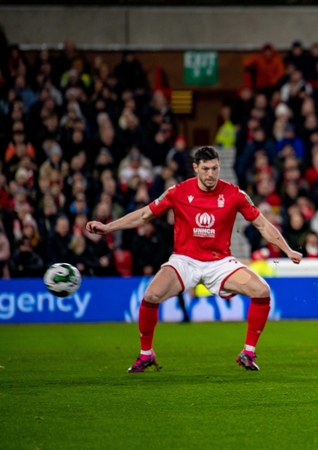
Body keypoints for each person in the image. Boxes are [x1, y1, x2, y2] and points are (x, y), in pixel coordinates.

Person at [86, 147, 303, 373]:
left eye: (215, 169)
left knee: (262, 291)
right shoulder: (178, 192)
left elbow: (262, 225)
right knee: (151, 295)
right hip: (185, 260)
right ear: (195, 168)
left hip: (220, 262)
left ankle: (248, 352)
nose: (211, 174)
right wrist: (108, 227)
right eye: (206, 169)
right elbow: (143, 215)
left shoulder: (234, 194)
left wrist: (287, 250)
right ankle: (146, 354)